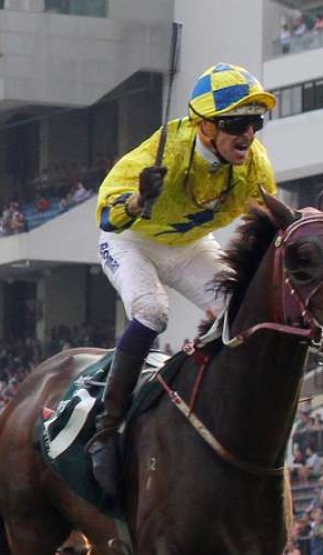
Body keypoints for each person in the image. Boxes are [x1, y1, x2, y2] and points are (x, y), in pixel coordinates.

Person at [88, 62, 277, 498]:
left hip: (190, 246)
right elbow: (107, 218)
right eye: (236, 124)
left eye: (256, 122)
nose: (248, 135)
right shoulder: (162, 153)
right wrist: (138, 200)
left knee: (243, 311)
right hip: (131, 242)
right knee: (153, 311)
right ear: (205, 127)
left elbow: (270, 228)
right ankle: (106, 430)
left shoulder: (255, 167)